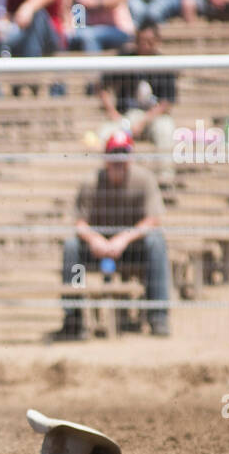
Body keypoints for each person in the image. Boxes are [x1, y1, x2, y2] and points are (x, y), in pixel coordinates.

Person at [56, 130, 170, 339]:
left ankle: (158, 315)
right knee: (72, 248)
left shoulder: (144, 179)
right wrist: (95, 239)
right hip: (97, 250)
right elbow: (79, 222)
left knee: (156, 242)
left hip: (132, 248)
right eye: (114, 155)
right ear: (106, 158)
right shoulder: (91, 183)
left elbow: (153, 219)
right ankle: (74, 316)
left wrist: (123, 239)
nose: (119, 161)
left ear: (130, 157)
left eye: (123, 155)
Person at [97, 21, 176, 159]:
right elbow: (102, 86)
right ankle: (108, 176)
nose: (145, 46)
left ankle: (165, 178)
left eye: (150, 42)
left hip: (154, 117)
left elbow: (166, 102)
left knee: (166, 129)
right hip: (127, 116)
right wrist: (112, 112)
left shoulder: (165, 64)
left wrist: (144, 121)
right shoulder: (124, 59)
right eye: (142, 41)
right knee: (104, 134)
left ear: (157, 41)